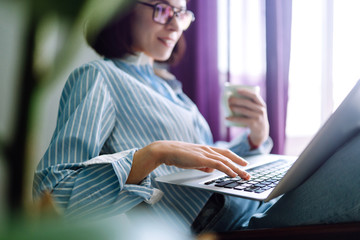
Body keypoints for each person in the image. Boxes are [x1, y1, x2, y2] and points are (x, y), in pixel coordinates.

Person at [33, 0, 360, 235]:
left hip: (252, 205)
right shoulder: (98, 76)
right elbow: (51, 195)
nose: (176, 25)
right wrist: (152, 154)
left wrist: (255, 139)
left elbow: (205, 167)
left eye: (182, 13)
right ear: (122, 8)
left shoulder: (172, 90)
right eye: (163, 10)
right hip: (224, 222)